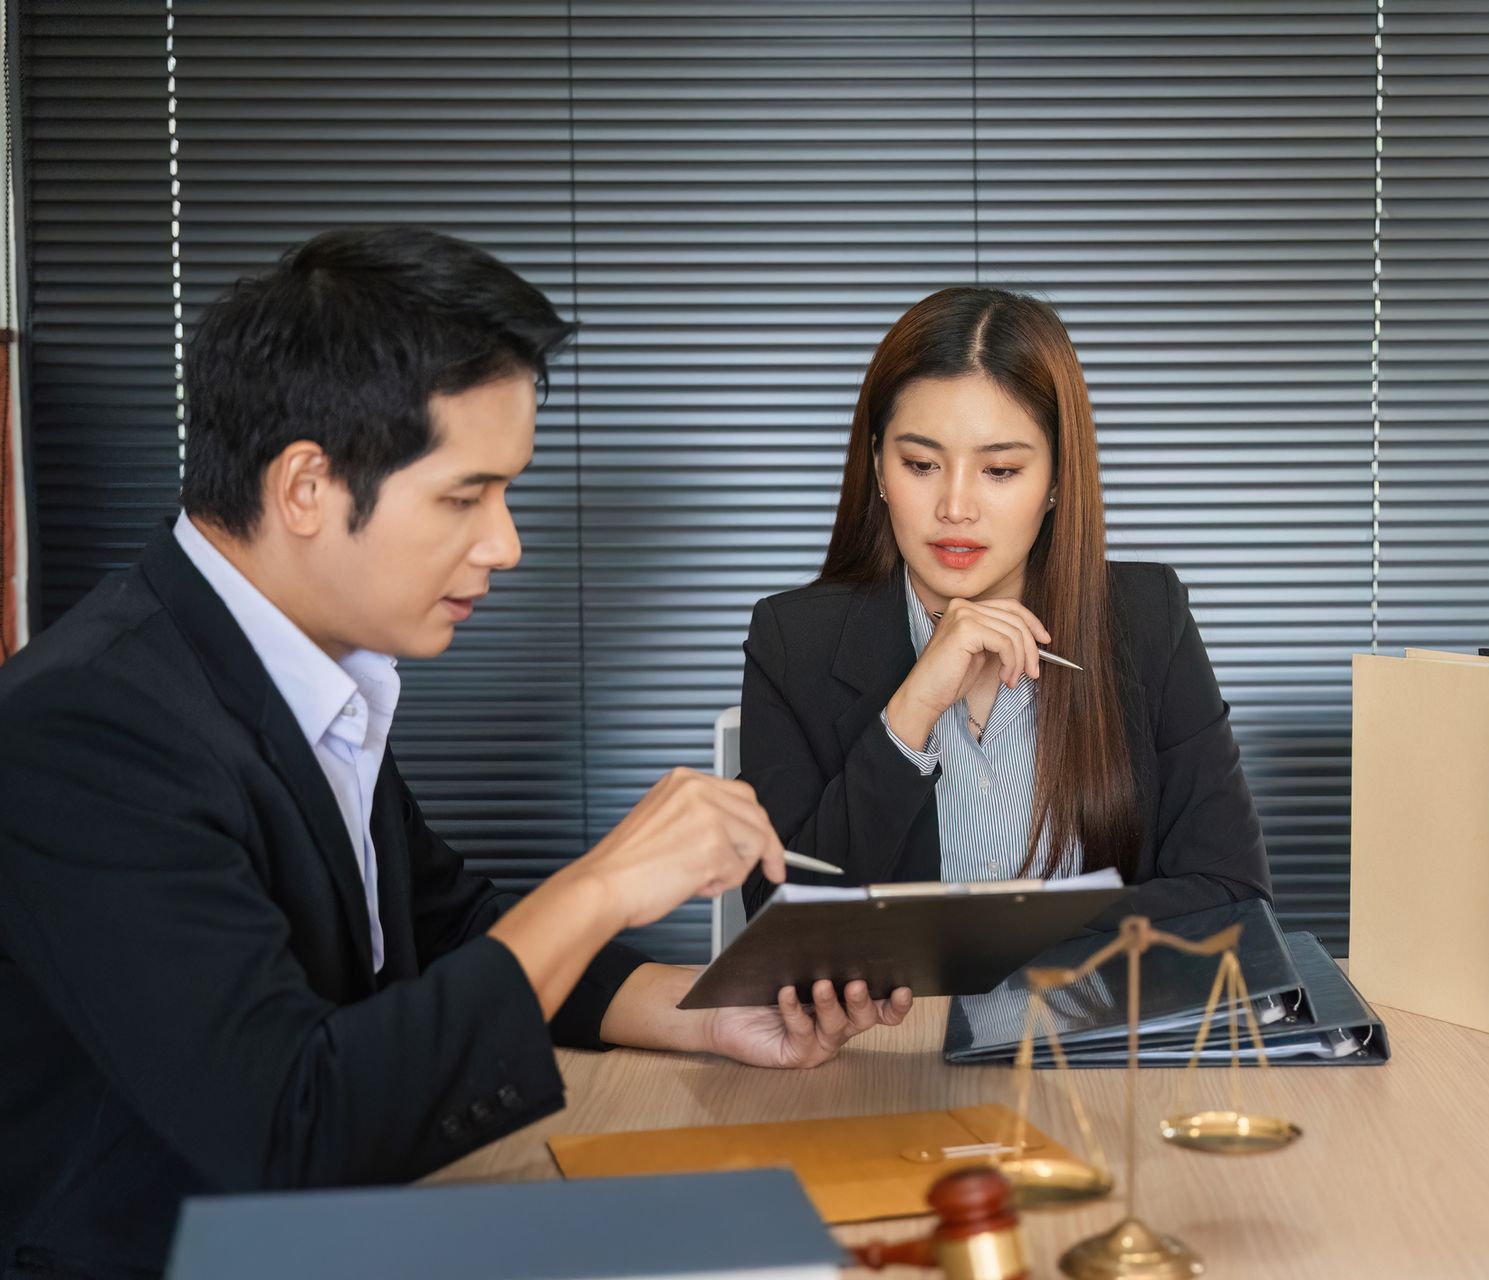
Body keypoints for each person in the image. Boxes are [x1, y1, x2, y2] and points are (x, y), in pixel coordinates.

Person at [0, 228, 910, 1278]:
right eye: (465, 495)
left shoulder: (299, 669)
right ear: (307, 485)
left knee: (836, 1236)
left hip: (319, 1227)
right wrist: (604, 883)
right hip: (182, 1253)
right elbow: (288, 1129)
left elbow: (439, 927)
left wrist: (706, 1013)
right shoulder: (86, 727)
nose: (506, 543)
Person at [738, 287, 1272, 923]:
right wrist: (910, 714)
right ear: (879, 468)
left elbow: (1231, 894)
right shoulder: (793, 640)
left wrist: (1005, 936)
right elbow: (779, 918)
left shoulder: (1148, 619)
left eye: (1000, 471)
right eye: (920, 463)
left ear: (1056, 481)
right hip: (893, 1030)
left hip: (1085, 1021)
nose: (955, 508)